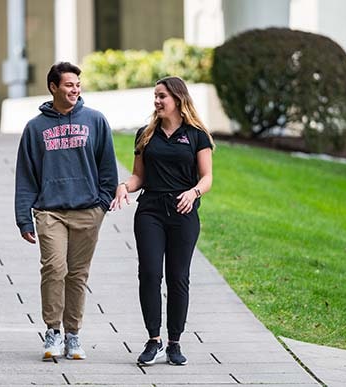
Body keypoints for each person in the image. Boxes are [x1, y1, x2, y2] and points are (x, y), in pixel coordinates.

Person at [15, 62, 118, 361]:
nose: (75, 90)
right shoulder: (35, 127)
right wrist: (24, 217)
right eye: (69, 85)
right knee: (54, 268)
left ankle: (73, 334)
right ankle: (53, 331)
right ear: (53, 87)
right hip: (50, 212)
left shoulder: (95, 121)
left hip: (88, 211)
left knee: (77, 275)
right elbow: (25, 175)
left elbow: (107, 168)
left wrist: (101, 204)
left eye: (77, 85)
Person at [110, 76, 214, 366]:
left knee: (178, 278)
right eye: (155, 96)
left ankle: (174, 342)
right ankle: (153, 340)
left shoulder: (196, 135)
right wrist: (123, 187)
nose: (157, 101)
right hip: (150, 212)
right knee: (150, 273)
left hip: (183, 214)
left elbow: (206, 178)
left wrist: (193, 193)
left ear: (178, 99)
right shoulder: (145, 134)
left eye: (162, 96)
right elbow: (138, 177)